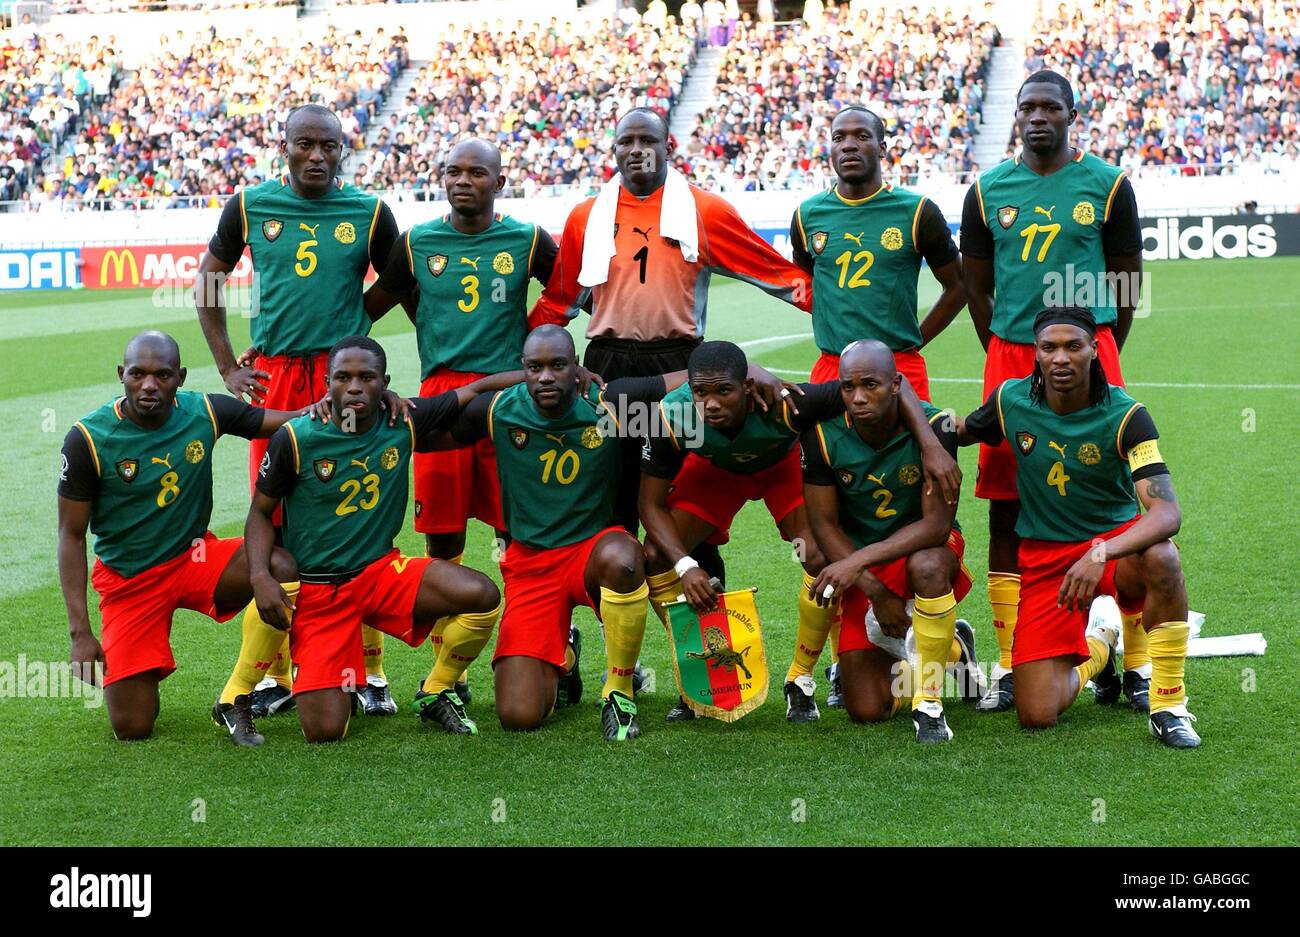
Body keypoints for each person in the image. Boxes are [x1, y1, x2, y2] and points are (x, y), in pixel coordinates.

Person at [531, 107, 814, 589]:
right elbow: (560, 301)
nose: (636, 149)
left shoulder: (705, 211)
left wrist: (843, 315)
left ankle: (711, 649)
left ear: (669, 147)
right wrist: (526, 361)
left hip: (685, 374)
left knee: (690, 512)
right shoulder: (586, 217)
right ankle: (623, 658)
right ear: (613, 150)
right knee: (613, 510)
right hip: (608, 371)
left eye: (647, 140)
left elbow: (779, 277)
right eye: (626, 141)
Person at [196, 103, 406, 716]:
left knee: (353, 514)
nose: (317, 156)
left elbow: (399, 280)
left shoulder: (369, 212)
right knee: (280, 518)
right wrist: (229, 366)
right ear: (283, 145)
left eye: (329, 146)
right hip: (279, 378)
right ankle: (271, 674)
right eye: (305, 144)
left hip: (346, 380)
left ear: (344, 150)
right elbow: (208, 280)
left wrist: (358, 326)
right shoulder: (249, 205)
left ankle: (371, 674)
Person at [959, 71, 1143, 713]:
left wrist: (1102, 346)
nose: (1037, 116)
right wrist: (1005, 351)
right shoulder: (986, 191)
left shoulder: (1109, 184)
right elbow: (976, 285)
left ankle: (1135, 653)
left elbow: (1126, 281)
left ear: (1071, 113)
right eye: (1026, 107)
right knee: (1006, 498)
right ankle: (1013, 661)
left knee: (1118, 493)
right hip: (1012, 353)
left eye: (1049, 107)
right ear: (1015, 116)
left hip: (1090, 345)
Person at [365, 138, 561, 714]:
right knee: (443, 538)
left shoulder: (527, 239)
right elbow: (370, 307)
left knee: (518, 530)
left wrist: (537, 346)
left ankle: (540, 641)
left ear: (499, 182)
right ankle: (449, 667)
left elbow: (570, 295)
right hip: (441, 397)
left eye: (477, 172)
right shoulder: (418, 242)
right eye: (452, 172)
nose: (463, 180)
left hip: (510, 398)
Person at [425, 326, 696, 741]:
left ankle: (618, 692)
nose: (546, 377)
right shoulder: (498, 409)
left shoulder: (611, 403)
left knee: (625, 559)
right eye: (535, 368)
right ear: (522, 371)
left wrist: (748, 369)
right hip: (531, 566)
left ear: (577, 368)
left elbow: (683, 378)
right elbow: (425, 427)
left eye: (558, 366)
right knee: (519, 716)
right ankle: (565, 658)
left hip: (592, 552)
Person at [246, 336, 515, 742]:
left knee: (481, 595)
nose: (354, 387)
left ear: (384, 382)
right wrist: (259, 577)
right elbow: (259, 514)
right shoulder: (296, 437)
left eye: (367, 377)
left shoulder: (401, 419)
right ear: (326, 381)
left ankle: (436, 688)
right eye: (343, 377)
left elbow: (475, 390)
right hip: (321, 593)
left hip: (380, 574)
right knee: (323, 731)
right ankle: (337, 672)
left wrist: (541, 373)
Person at [956, 307, 1199, 748]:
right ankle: (1100, 647)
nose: (1061, 358)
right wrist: (914, 421)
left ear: (1094, 350)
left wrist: (1101, 552)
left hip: (1115, 550)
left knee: (1162, 555)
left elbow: (1166, 514)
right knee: (1036, 714)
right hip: (1047, 560)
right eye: (1049, 348)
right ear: (1036, 355)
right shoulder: (1009, 401)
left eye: (1073, 347)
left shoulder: (1128, 416)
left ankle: (1168, 704)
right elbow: (960, 430)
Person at [57, 332, 304, 746]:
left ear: (181, 378)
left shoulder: (204, 411)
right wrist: (80, 633)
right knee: (133, 726)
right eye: (137, 374)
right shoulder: (88, 439)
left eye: (162, 375)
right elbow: (70, 535)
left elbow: (286, 420)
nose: (149, 385)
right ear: (122, 375)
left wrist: (343, 404)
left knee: (277, 566)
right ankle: (138, 668)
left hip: (195, 558)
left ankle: (237, 695)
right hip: (129, 582)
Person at [801, 341, 982, 743]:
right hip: (864, 564)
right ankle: (954, 652)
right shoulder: (822, 437)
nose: (859, 398)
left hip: (922, 548)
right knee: (867, 709)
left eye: (871, 385)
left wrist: (856, 564)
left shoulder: (938, 430)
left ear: (897, 383)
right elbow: (824, 524)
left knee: (929, 565)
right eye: (848, 388)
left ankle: (929, 703)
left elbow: (936, 527)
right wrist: (873, 589)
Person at [791, 106, 967, 400]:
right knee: (825, 447)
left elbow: (959, 285)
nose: (849, 145)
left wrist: (915, 342)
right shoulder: (806, 216)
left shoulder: (917, 212)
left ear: (882, 149)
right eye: (838, 138)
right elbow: (806, 282)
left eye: (862, 136)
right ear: (831, 149)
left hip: (898, 365)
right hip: (831, 367)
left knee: (917, 446)